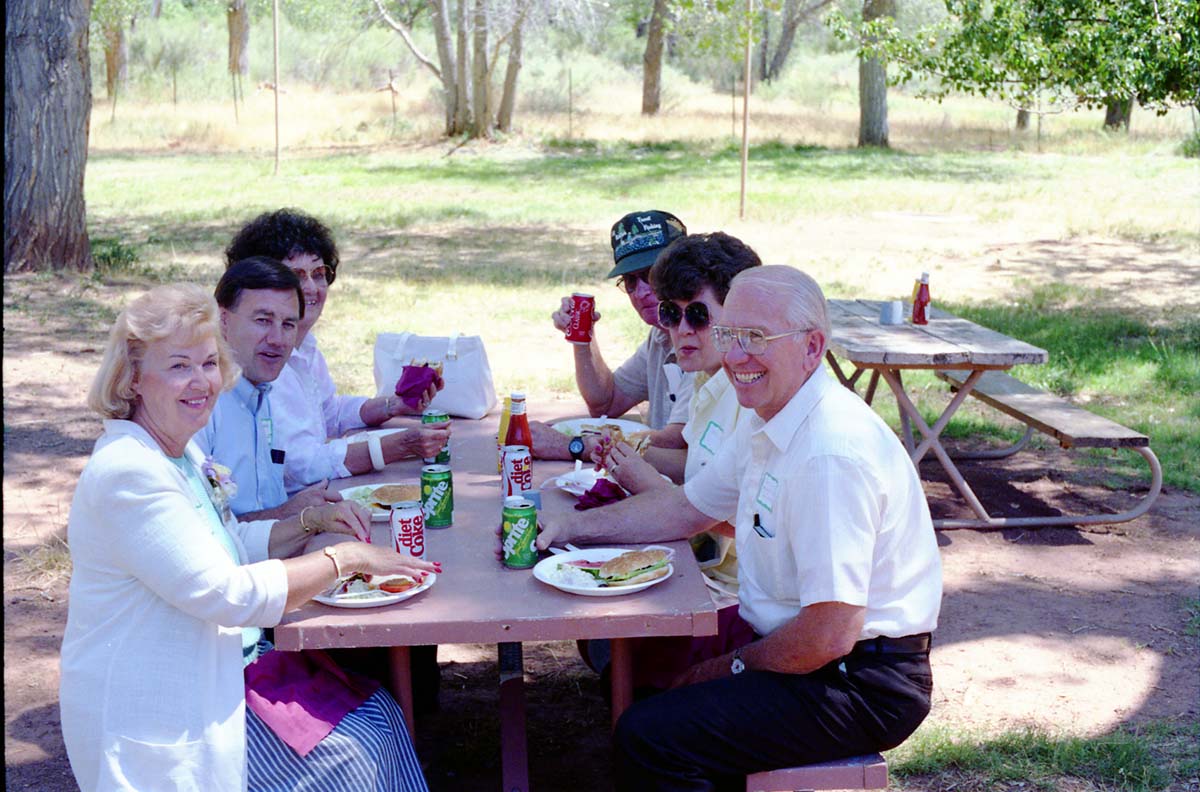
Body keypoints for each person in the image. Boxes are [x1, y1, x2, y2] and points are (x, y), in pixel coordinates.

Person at [536, 266, 943, 790]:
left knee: (650, 736)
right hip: (807, 647)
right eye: (730, 334)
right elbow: (684, 510)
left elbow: (828, 635)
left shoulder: (829, 453)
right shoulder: (772, 412)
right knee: (635, 668)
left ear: (812, 346)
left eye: (756, 338)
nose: (734, 356)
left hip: (860, 681)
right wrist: (568, 528)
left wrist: (727, 668)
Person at [60, 283, 436, 791]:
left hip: (215, 674)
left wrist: (311, 523)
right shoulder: (129, 473)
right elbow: (228, 594)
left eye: (210, 362)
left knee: (381, 717)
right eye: (178, 365)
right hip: (164, 710)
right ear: (132, 380)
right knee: (347, 759)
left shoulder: (180, 453)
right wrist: (344, 558)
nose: (201, 381)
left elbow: (230, 540)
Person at [581, 232, 762, 690]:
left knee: (625, 657)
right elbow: (703, 469)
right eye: (670, 313)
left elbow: (731, 522)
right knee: (596, 622)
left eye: (697, 315)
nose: (680, 329)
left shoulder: (752, 395)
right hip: (704, 571)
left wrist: (644, 477)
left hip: (738, 592)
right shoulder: (708, 381)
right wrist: (634, 457)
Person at [224, 209, 448, 494]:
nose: (310, 288)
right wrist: (397, 446)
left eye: (319, 274)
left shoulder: (304, 345)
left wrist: (394, 405)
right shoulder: (261, 358)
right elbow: (299, 465)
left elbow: (328, 414)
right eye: (295, 275)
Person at [194, 256, 378, 530]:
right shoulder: (198, 406)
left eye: (288, 325)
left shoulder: (261, 394)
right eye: (263, 320)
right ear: (222, 320)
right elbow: (207, 535)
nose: (278, 340)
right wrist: (292, 514)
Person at [529, 210, 694, 462]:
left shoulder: (701, 338)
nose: (640, 292)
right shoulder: (660, 337)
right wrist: (583, 337)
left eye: (651, 275)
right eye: (629, 281)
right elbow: (605, 405)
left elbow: (679, 439)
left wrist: (575, 446)